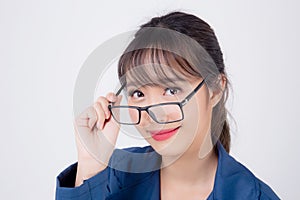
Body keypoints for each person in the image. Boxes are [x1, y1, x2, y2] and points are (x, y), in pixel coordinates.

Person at [55, 11, 280, 200]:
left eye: (171, 90)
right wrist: (90, 164)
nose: (154, 115)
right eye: (139, 93)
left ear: (215, 89)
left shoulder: (254, 196)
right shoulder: (112, 178)